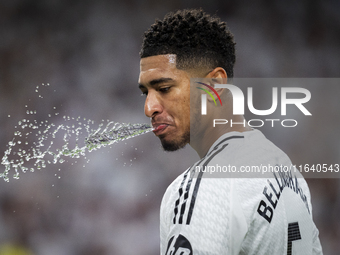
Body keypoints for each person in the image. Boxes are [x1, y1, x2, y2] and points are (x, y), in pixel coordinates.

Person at [138, 8, 323, 254]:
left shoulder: (203, 187)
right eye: (145, 92)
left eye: (164, 87)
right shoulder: (286, 169)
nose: (148, 107)